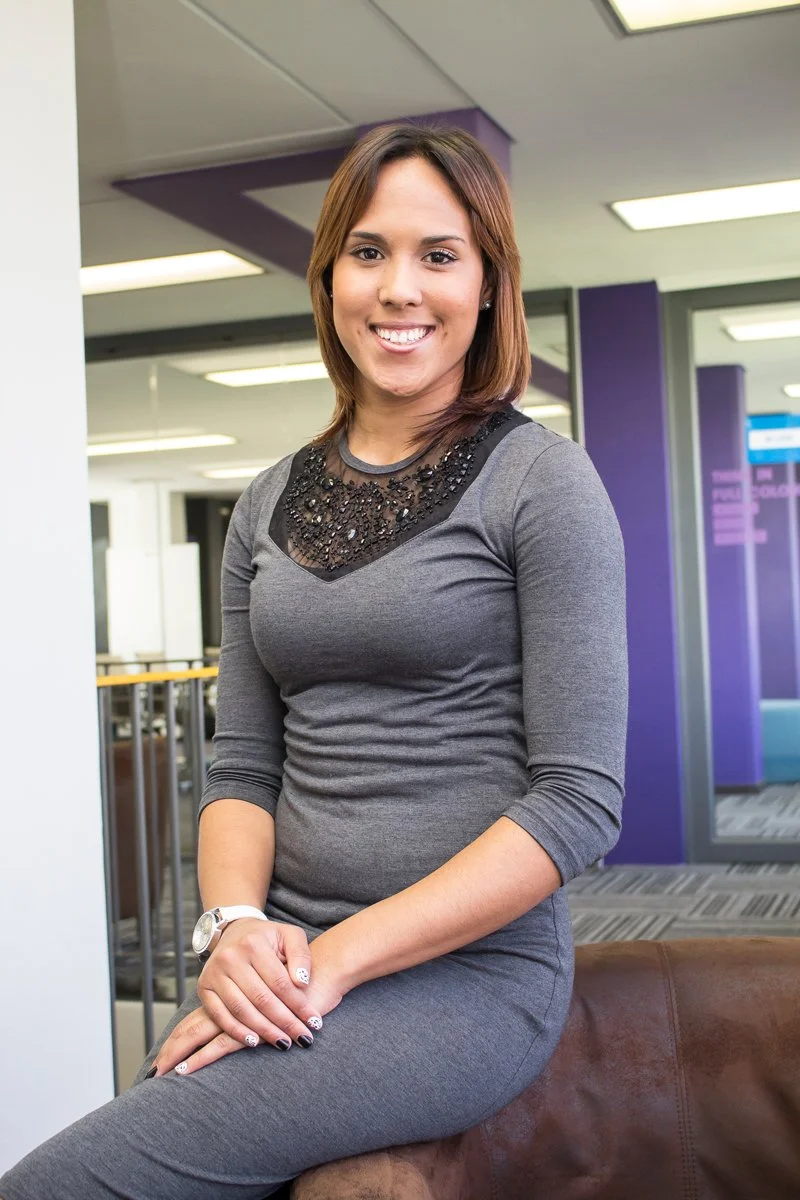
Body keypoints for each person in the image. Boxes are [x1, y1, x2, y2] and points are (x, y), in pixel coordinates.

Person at [0, 122, 628, 1199]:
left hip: (464, 976)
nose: (399, 288)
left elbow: (576, 800)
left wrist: (330, 964)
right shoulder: (262, 501)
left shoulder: (542, 481)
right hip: (282, 952)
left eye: (439, 255)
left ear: (486, 287)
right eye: (369, 251)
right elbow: (241, 764)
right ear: (329, 274)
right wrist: (237, 929)